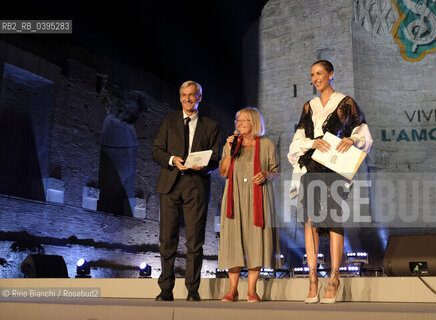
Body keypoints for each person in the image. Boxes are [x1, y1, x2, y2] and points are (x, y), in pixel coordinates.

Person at [288, 60, 372, 304]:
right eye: (312, 74)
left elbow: (362, 130)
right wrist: (310, 143)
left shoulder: (345, 102)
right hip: (311, 166)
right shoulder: (309, 106)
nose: (315, 78)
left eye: (320, 73)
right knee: (310, 221)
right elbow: (299, 138)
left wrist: (352, 140)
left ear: (331, 75)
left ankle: (334, 278)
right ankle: (313, 279)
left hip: (333, 168)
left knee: (333, 219)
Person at [152, 80, 220, 302]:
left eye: (192, 95)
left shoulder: (210, 125)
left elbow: (217, 158)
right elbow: (156, 151)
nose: (188, 99)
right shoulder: (169, 121)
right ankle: (165, 290)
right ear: (179, 97)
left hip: (196, 185)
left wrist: (205, 166)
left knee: (195, 240)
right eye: (184, 95)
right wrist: (172, 159)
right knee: (167, 239)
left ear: (200, 97)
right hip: (170, 185)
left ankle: (192, 290)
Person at [218, 107, 281, 303]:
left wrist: (266, 175)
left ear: (255, 123)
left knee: (256, 241)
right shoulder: (231, 144)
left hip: (258, 197)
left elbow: (276, 172)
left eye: (244, 120)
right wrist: (229, 151)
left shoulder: (268, 145)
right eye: (238, 120)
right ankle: (233, 289)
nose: (240, 123)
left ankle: (252, 290)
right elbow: (223, 172)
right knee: (233, 240)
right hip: (234, 197)